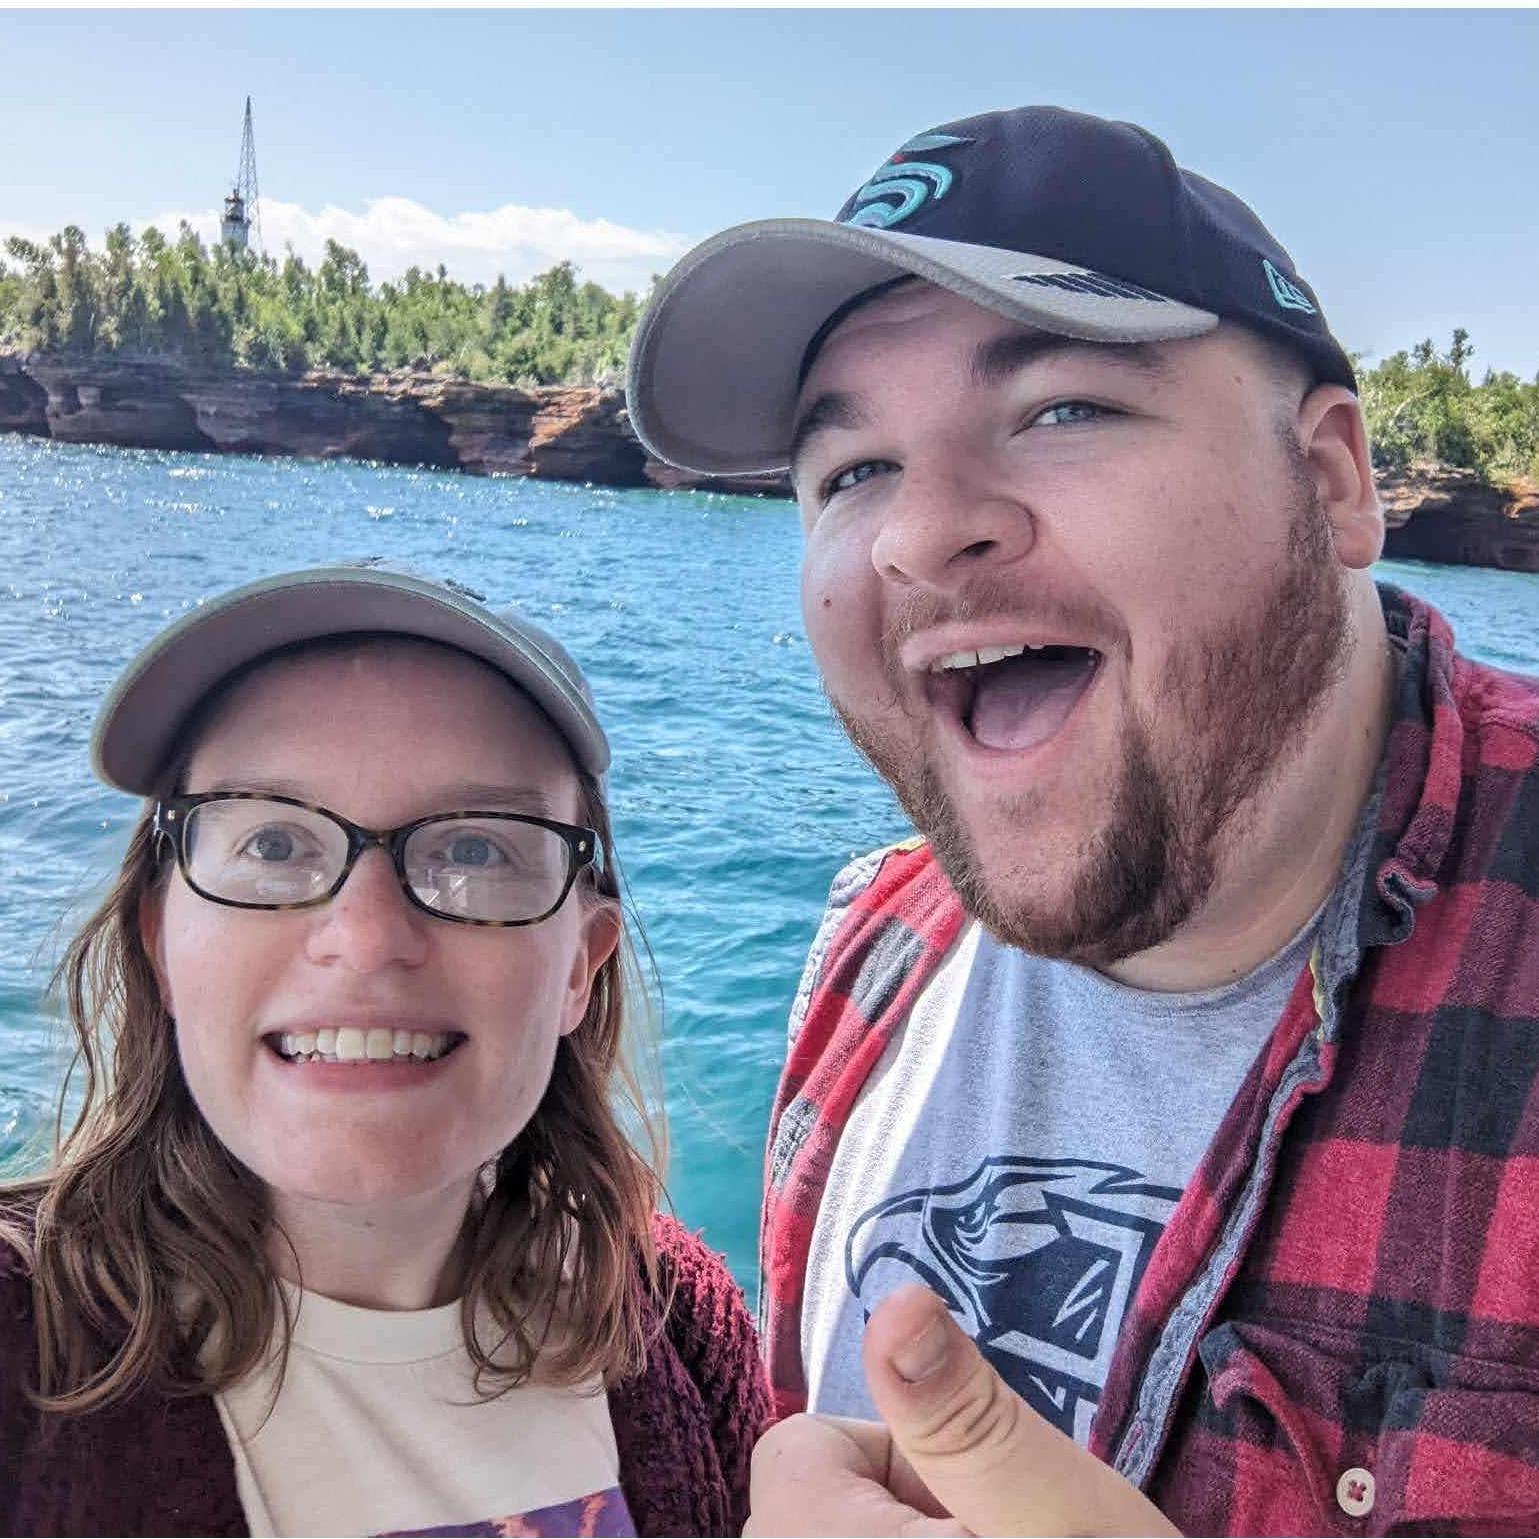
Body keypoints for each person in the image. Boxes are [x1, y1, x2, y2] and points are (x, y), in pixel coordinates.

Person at [626, 106, 1539, 1534]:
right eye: (851, 470)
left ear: (1329, 481)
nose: (918, 533)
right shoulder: (873, 943)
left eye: (1061, 409)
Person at [0, 564, 768, 1538]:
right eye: (274, 845)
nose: (365, 938)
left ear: (581, 962)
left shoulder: (679, 1323)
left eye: (475, 850)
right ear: (161, 942)